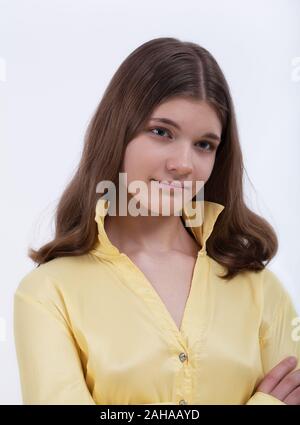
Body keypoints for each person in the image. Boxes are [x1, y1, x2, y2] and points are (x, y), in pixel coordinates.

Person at [13, 37, 300, 405]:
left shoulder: (260, 289)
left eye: (204, 144)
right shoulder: (47, 295)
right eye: (161, 132)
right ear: (117, 132)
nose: (183, 163)